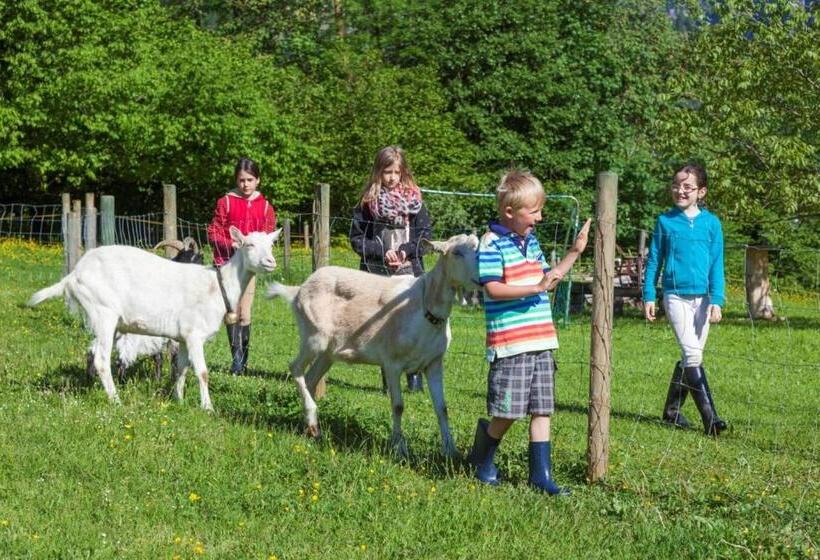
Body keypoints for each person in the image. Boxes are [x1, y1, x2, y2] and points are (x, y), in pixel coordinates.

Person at [468, 170, 591, 495]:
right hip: (511, 345)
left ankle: (541, 477)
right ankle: (480, 460)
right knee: (507, 413)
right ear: (510, 212)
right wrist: (534, 287)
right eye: (534, 210)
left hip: (541, 341)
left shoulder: (530, 242)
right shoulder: (491, 244)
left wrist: (575, 252)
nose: (540, 216)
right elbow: (493, 288)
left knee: (542, 409)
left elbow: (548, 278)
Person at [643, 163, 728, 436]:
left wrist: (716, 299)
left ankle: (672, 412)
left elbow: (717, 264)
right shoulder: (665, 222)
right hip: (675, 296)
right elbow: (654, 260)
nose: (680, 191)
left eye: (687, 187)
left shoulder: (712, 224)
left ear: (701, 192)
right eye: (676, 185)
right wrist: (648, 295)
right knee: (692, 354)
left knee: (692, 355)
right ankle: (711, 419)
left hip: (703, 299)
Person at [349, 146, 431, 393]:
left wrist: (406, 250)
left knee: (413, 323)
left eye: (397, 171)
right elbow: (356, 239)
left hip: (409, 272)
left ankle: (414, 376)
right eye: (387, 172)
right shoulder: (367, 203)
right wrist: (380, 252)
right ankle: (389, 379)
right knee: (383, 325)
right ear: (378, 172)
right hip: (377, 273)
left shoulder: (416, 202)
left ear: (404, 172)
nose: (392, 177)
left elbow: (425, 237)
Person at [207, 157, 276, 374]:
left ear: (258, 180)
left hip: (248, 268)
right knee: (230, 312)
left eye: (249, 180)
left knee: (245, 313)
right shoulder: (225, 202)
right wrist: (232, 245)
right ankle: (235, 358)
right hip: (225, 266)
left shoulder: (265, 207)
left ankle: (241, 364)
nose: (245, 184)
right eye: (241, 180)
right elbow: (214, 231)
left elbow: (266, 236)